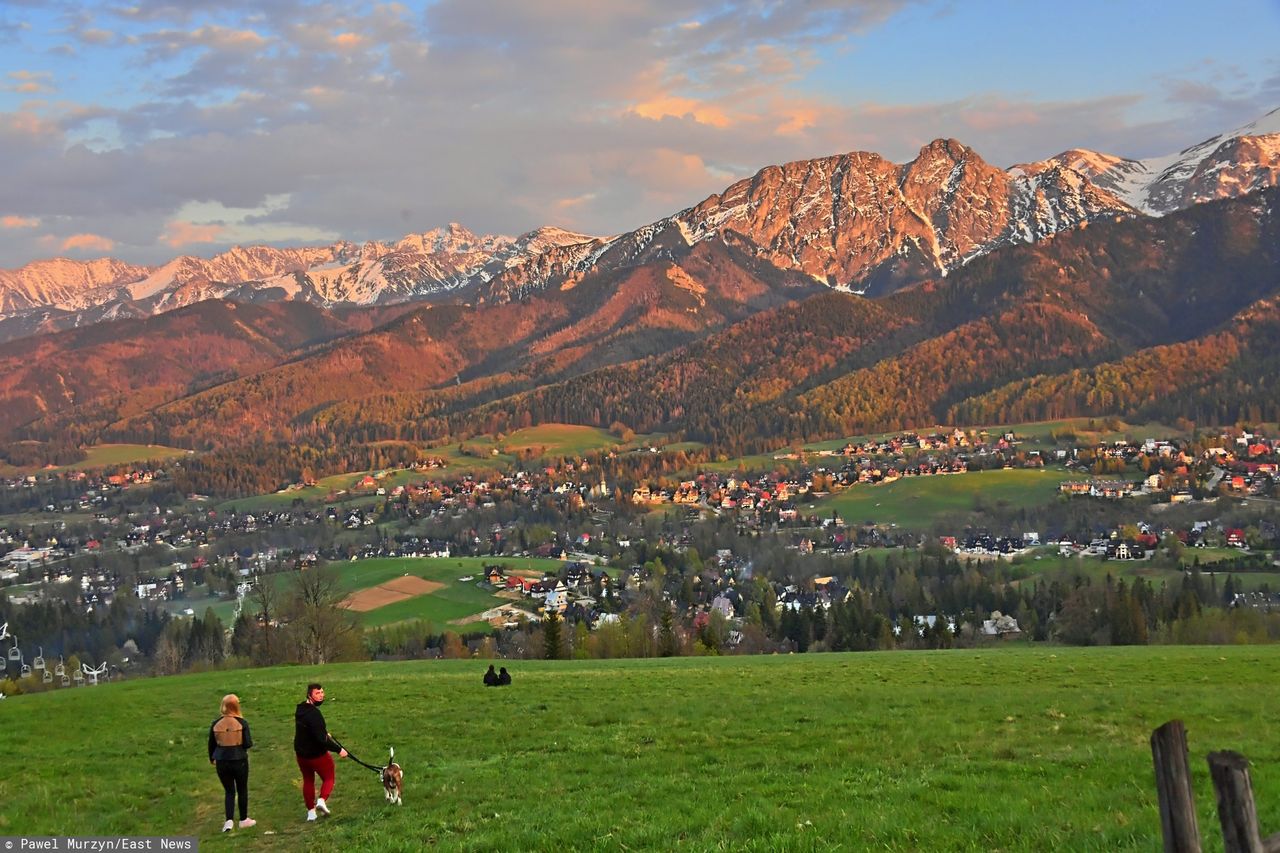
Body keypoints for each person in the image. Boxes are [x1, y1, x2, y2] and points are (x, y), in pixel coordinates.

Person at [294, 682, 347, 822]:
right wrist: (339, 749)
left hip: (301, 754)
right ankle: (322, 800)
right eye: (317, 693)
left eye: (322, 692)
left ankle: (311, 813)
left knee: (308, 780)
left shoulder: (300, 710)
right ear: (309, 695)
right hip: (316, 754)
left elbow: (311, 730)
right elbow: (321, 739)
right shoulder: (315, 714)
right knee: (329, 777)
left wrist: (322, 732)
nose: (321, 696)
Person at [208, 693, 255, 833]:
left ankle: (228, 821)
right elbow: (248, 744)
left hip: (222, 760)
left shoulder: (215, 724)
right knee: (242, 789)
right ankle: (243, 819)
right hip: (239, 759)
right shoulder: (242, 723)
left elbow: (211, 744)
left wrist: (212, 758)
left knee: (229, 791)